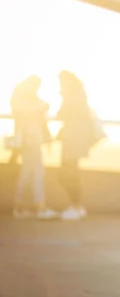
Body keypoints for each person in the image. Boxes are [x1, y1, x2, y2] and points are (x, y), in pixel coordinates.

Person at [56, 71, 104, 220]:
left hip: (73, 139)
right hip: (75, 139)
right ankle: (77, 206)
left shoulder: (72, 95)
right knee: (70, 171)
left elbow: (62, 114)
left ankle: (75, 206)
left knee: (68, 172)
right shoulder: (78, 94)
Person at [10, 75, 58, 220]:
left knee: (27, 174)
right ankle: (39, 207)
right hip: (29, 142)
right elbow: (30, 111)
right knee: (37, 174)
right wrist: (41, 107)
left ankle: (20, 207)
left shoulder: (25, 100)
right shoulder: (23, 101)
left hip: (31, 142)